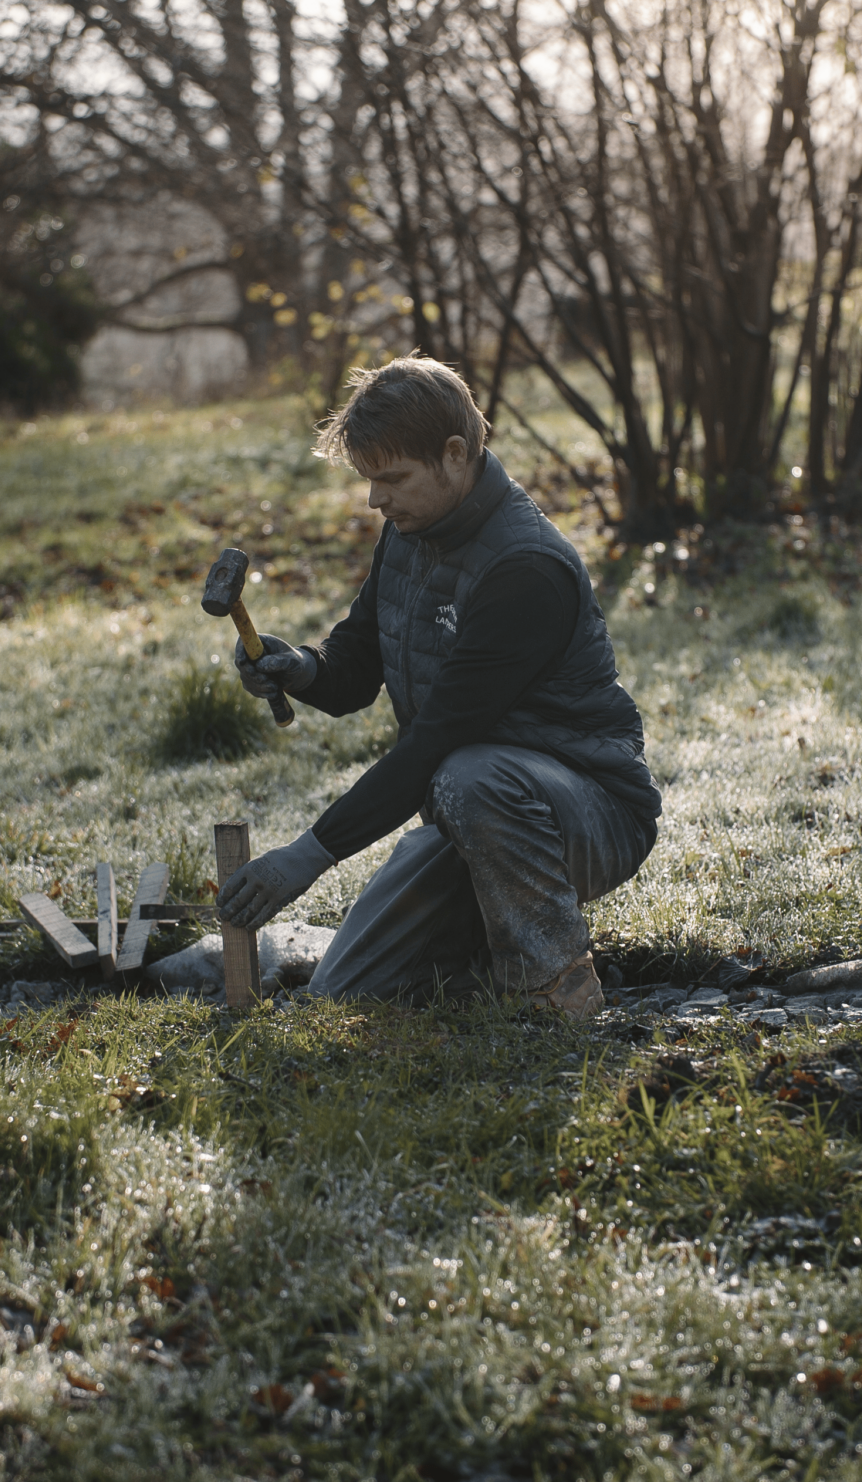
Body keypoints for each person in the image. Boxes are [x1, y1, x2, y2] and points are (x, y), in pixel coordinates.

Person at [215, 356, 661, 1019]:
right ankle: (479, 953)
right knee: (346, 990)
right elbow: (355, 666)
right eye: (370, 481)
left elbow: (435, 742)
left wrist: (309, 854)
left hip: (587, 813)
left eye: (391, 478)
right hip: (469, 814)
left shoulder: (524, 569)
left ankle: (552, 988)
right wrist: (301, 668)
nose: (376, 499)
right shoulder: (410, 531)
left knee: (466, 773)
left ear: (455, 456)